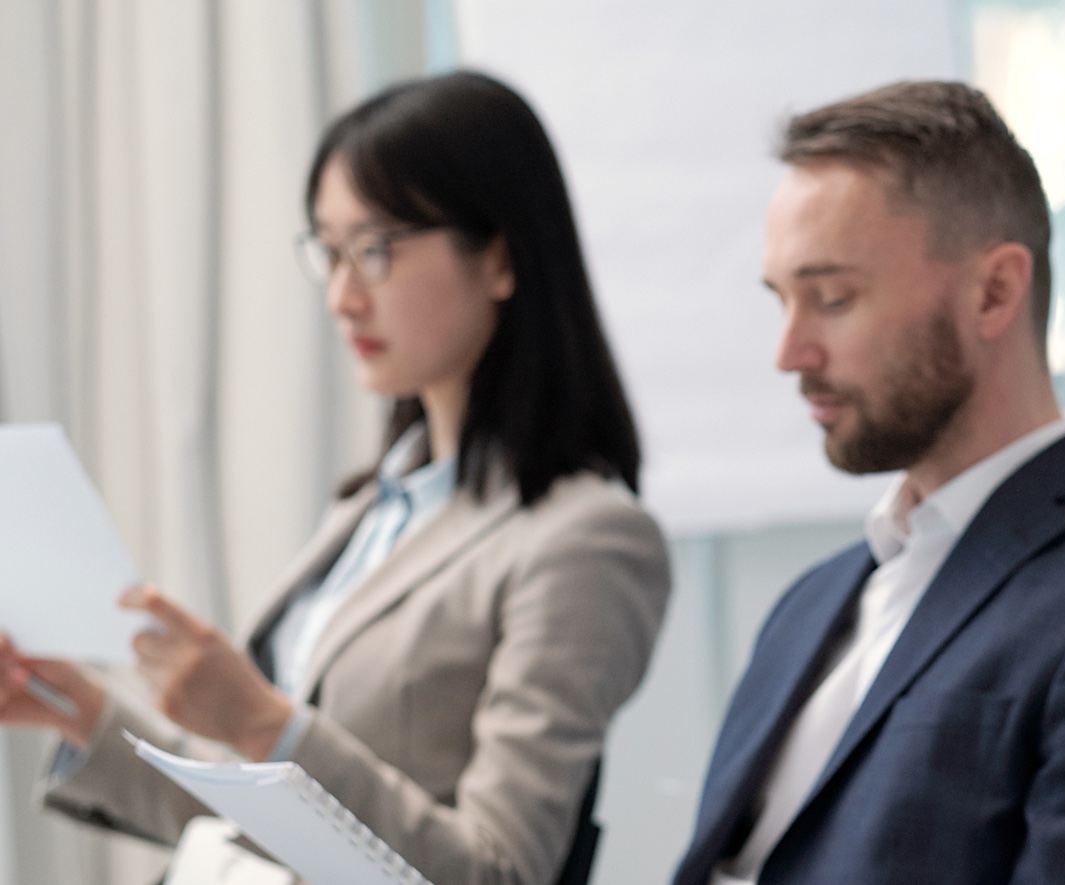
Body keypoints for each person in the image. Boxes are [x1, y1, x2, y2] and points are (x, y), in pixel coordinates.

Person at [0, 71, 671, 885]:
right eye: (330, 251)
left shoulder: (586, 538)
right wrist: (81, 708)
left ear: (499, 258)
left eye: (377, 250)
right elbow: (268, 821)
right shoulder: (369, 507)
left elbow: (499, 870)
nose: (344, 296)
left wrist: (258, 720)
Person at [673, 81, 1065, 885]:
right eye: (783, 301)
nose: (791, 351)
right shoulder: (810, 605)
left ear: (994, 291)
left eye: (833, 298)